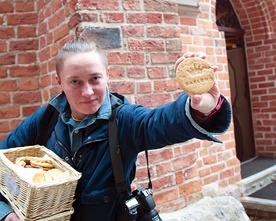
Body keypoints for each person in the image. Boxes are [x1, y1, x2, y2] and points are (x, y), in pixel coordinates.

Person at [0, 39, 231, 221]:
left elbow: (161, 122)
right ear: (59, 81)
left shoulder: (125, 121)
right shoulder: (45, 120)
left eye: (95, 78)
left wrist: (200, 106)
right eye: (75, 82)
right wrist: (5, 212)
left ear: (107, 75)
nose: (88, 92)